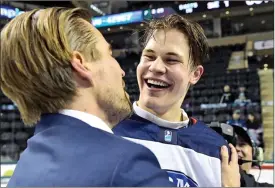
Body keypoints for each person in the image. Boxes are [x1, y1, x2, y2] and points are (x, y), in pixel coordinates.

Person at [0, 7, 175, 187]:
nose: (122, 71)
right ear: (82, 65)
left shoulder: (24, 170)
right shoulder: (126, 167)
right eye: (109, 54)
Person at [113, 14, 238, 187]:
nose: (155, 67)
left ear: (195, 74)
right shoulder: (106, 130)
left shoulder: (217, 150)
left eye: (171, 60)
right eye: (149, 56)